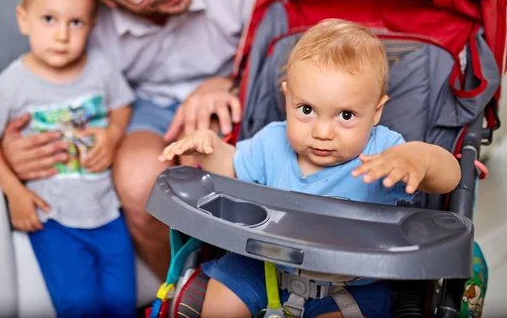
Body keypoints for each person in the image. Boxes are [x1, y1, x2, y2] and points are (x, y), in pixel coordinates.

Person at [0, 0, 269, 279]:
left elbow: (284, 59)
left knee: (202, 163)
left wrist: (228, 81)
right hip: (141, 106)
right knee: (139, 180)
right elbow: (45, 84)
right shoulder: (85, 20)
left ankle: (238, 289)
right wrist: (13, 146)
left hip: (233, 91)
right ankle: (182, 293)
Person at [159, 19, 461, 318]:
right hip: (262, 264)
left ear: (376, 111)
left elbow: (448, 179)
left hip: (350, 285)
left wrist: (421, 159)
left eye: (345, 115)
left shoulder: (385, 153)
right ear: (287, 97)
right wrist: (208, 146)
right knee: (222, 296)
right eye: (306, 110)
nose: (322, 131)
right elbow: (231, 170)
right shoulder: (272, 141)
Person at [0, 0, 136, 317]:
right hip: (53, 219)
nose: (62, 35)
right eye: (49, 19)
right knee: (79, 305)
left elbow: (122, 106)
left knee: (122, 302)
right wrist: (15, 193)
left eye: (75, 22)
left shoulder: (100, 68)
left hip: (107, 212)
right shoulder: (11, 84)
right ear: (23, 19)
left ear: (91, 25)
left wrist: (111, 136)